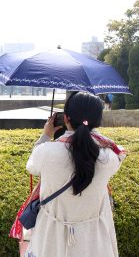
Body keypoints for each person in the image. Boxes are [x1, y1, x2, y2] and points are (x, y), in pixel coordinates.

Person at [24, 92, 126, 257]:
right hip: (94, 241)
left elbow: (31, 167)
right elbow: (111, 152)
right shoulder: (110, 157)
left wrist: (46, 135)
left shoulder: (45, 152)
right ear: (99, 121)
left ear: (66, 118)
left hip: (51, 238)